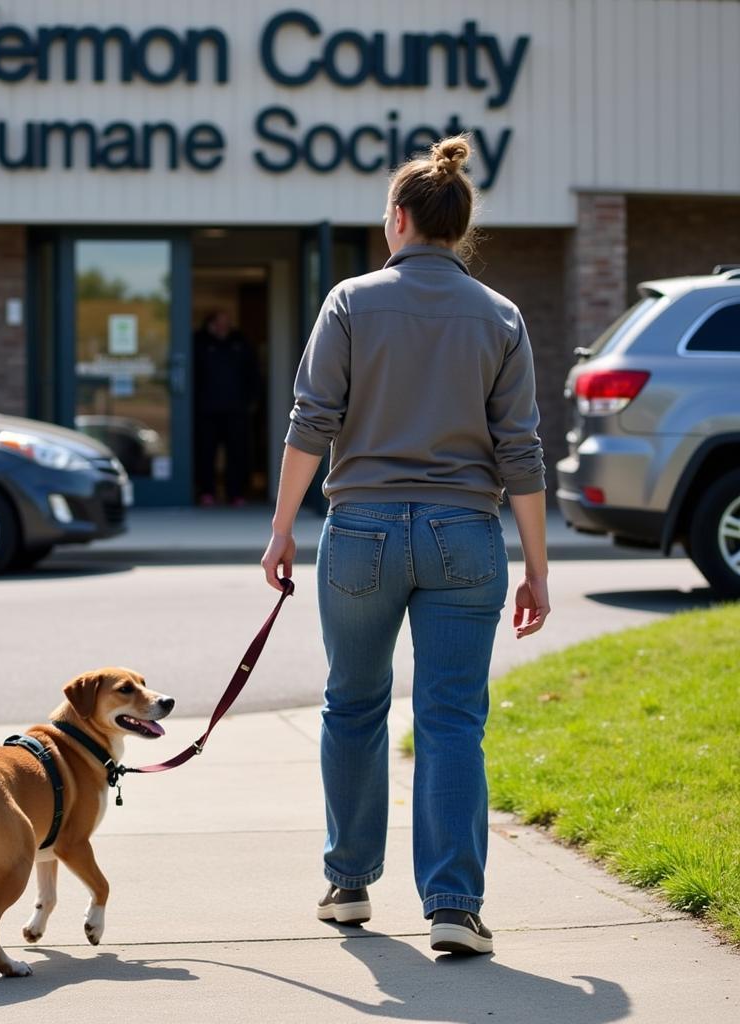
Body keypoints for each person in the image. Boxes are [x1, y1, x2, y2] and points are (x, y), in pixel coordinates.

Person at [260, 135, 550, 956]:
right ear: (456, 230)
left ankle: (349, 884)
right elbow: (520, 451)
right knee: (453, 718)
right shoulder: (501, 316)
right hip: (465, 534)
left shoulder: (352, 301)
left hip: (360, 535)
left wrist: (282, 528)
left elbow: (311, 421)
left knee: (353, 704)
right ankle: (455, 905)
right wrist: (537, 566)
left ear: (397, 219)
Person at [193, 310, 260, 506]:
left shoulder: (240, 342)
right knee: (206, 453)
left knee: (237, 454)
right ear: (211, 323)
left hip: (236, 411)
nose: (226, 325)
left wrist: (251, 401)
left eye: (228, 321)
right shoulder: (199, 342)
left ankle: (236, 493)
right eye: (221, 321)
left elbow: (252, 374)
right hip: (206, 411)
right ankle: (206, 492)